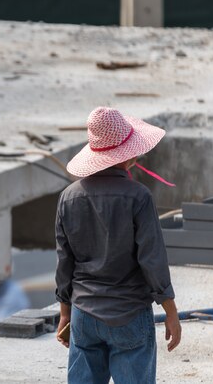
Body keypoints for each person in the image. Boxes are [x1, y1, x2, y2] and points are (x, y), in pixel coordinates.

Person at [55, 107, 181, 384]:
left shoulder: (68, 197)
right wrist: (171, 312)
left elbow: (65, 261)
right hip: (130, 315)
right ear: (129, 154)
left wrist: (65, 312)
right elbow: (153, 261)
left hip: (83, 314)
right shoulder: (139, 197)